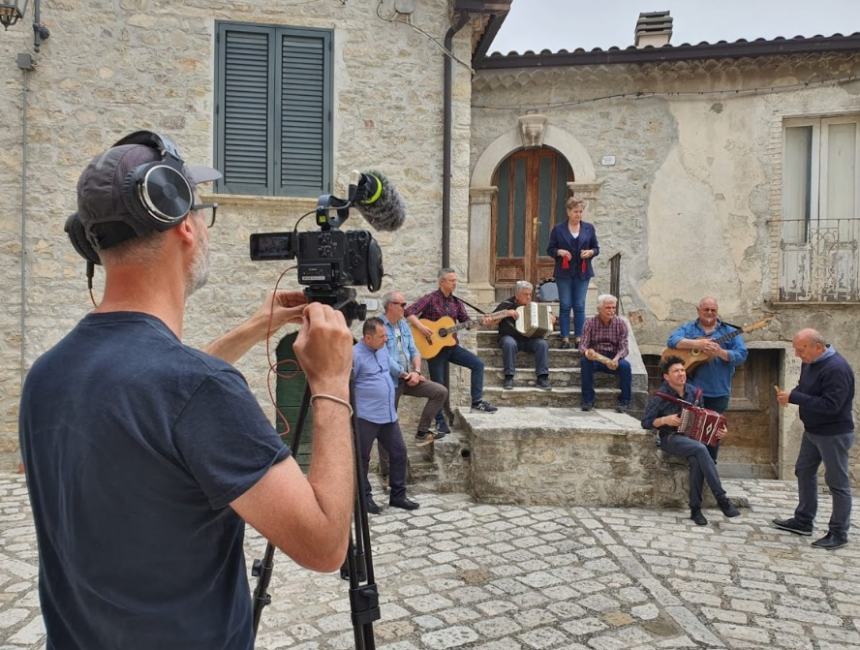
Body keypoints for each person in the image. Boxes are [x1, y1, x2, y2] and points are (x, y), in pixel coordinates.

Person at [18, 133, 355, 649]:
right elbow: (325, 544)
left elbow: (158, 410)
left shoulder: (48, 373)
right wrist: (332, 384)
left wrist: (249, 329)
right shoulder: (197, 389)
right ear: (185, 227)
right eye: (204, 211)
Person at [773, 329, 854, 550]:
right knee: (803, 470)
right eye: (796, 350)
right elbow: (804, 387)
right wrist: (789, 395)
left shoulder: (837, 369)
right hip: (813, 431)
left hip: (834, 434)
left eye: (801, 350)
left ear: (818, 347)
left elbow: (831, 406)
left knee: (837, 483)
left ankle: (839, 533)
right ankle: (803, 520)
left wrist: (795, 397)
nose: (798, 355)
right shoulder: (810, 362)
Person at [641, 356, 740, 526]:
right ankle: (722, 498)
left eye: (682, 370)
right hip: (670, 438)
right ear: (666, 376)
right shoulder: (660, 397)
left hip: (691, 439)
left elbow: (703, 422)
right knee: (700, 449)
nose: (681, 374)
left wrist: (719, 431)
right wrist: (665, 420)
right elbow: (646, 422)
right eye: (676, 371)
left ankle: (695, 509)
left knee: (697, 459)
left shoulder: (695, 393)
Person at [406, 268, 498, 433]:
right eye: (451, 280)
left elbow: (467, 324)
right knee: (439, 388)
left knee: (478, 364)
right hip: (434, 350)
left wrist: (483, 323)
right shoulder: (431, 299)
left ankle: (477, 402)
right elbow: (409, 312)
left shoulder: (456, 302)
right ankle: (440, 422)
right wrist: (422, 328)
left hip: (452, 347)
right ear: (442, 282)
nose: (454, 283)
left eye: (455, 280)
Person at [666, 296, 748, 460]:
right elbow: (672, 340)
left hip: (718, 391)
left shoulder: (729, 332)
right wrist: (697, 344)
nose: (710, 313)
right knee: (689, 429)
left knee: (712, 433)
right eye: (706, 310)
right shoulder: (689, 328)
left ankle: (710, 467)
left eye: (713, 310)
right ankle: (689, 466)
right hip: (691, 390)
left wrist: (721, 352)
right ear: (698, 310)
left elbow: (742, 355)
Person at [353, 317, 420, 514]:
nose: (386, 340)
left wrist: (409, 374)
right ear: (367, 338)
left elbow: (391, 369)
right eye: (382, 336)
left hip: (388, 415)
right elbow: (347, 386)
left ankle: (398, 496)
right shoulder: (354, 356)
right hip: (365, 417)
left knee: (399, 453)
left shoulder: (381, 350)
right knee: (362, 458)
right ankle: (364, 499)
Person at [381, 291, 448, 446]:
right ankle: (386, 469)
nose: (406, 307)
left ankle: (422, 432)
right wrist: (405, 374)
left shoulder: (403, 324)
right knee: (387, 424)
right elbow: (384, 358)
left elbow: (414, 350)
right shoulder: (379, 325)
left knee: (440, 391)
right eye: (402, 304)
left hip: (409, 377)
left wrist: (417, 372)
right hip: (390, 381)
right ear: (391, 306)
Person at [547, 197, 599, 349]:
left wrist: (590, 252)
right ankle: (564, 338)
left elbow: (596, 248)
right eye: (575, 211)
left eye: (581, 212)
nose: (578, 214)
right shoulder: (558, 229)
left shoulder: (589, 228)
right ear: (568, 211)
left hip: (583, 273)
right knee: (565, 305)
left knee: (579, 305)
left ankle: (579, 338)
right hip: (563, 274)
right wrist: (560, 252)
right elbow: (550, 250)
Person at [494, 280, 550, 390]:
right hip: (510, 338)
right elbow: (490, 320)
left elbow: (549, 317)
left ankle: (542, 377)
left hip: (529, 340)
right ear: (517, 295)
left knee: (542, 344)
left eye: (530, 294)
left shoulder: (533, 306)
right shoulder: (506, 304)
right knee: (509, 343)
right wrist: (507, 313)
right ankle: (509, 377)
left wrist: (551, 318)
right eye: (525, 294)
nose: (529, 297)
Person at [579, 294, 631, 412]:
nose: (611, 311)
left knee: (626, 366)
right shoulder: (590, 323)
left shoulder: (621, 323)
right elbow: (582, 345)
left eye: (613, 308)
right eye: (608, 308)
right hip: (596, 358)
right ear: (599, 309)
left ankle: (624, 401)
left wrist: (616, 359)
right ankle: (587, 400)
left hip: (614, 357)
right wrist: (588, 352)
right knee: (585, 362)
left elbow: (624, 347)